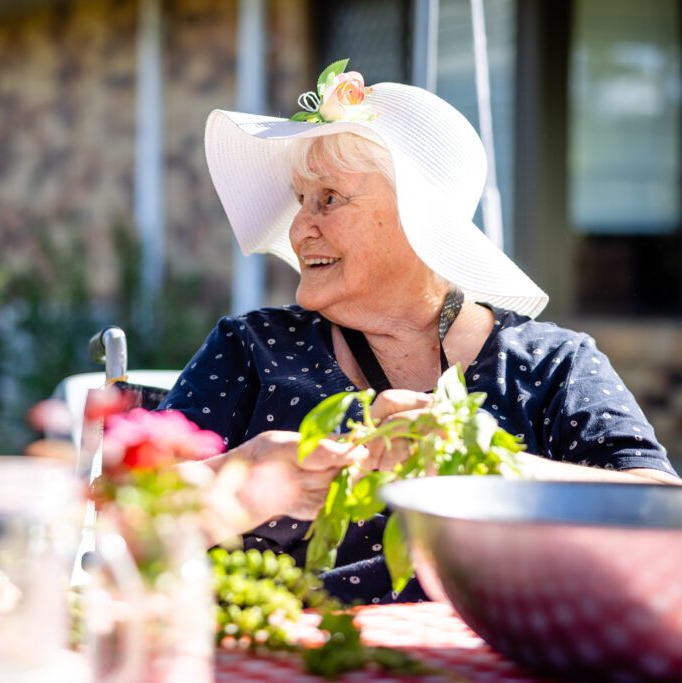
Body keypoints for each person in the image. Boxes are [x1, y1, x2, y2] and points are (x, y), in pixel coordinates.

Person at [162, 62, 680, 605]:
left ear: (419, 220)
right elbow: (117, 520)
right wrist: (242, 477)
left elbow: (666, 514)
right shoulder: (253, 348)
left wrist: (491, 469)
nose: (298, 228)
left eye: (329, 199)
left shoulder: (553, 364)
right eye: (300, 200)